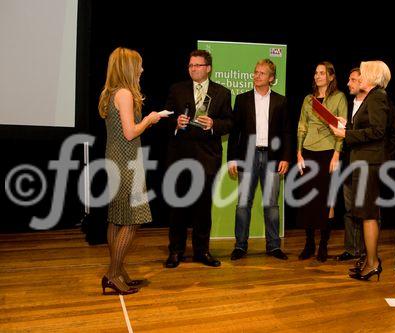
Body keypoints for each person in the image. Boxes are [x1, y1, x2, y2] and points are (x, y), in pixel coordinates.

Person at [98, 47, 162, 295]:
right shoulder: (124, 93)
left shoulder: (110, 92)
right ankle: (113, 273)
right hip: (125, 162)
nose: (142, 69)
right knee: (133, 219)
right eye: (139, 65)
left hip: (115, 159)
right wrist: (149, 119)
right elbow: (129, 132)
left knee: (117, 218)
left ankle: (119, 270)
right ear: (128, 67)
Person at [329, 60, 395, 281]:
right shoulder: (373, 97)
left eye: (363, 73)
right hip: (364, 162)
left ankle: (373, 263)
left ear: (371, 75)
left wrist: (346, 135)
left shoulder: (378, 97)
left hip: (369, 163)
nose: (359, 77)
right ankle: (370, 262)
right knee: (365, 215)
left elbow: (379, 132)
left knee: (368, 216)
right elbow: (371, 130)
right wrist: (348, 126)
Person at [164, 50, 233, 268]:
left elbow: (230, 123)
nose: (193, 68)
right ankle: (176, 251)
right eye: (190, 65)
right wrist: (176, 122)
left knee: (203, 209)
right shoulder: (177, 90)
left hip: (207, 158)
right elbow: (164, 118)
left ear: (208, 68)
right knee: (178, 208)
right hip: (180, 157)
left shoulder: (222, 92)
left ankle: (202, 252)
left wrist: (214, 124)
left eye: (197, 65)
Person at [227, 59, 292, 261]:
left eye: (262, 73)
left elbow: (287, 132)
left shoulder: (281, 101)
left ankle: (273, 246)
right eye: (255, 72)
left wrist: (286, 157)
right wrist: (231, 159)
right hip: (247, 157)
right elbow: (234, 132)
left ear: (271, 78)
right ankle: (240, 246)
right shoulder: (242, 99)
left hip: (272, 157)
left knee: (271, 204)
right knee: (243, 204)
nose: (257, 76)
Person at [296, 61, 348, 262]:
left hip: (328, 153)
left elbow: (341, 129)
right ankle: (309, 244)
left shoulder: (339, 97)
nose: (317, 76)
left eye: (322, 73)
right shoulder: (308, 100)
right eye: (315, 73)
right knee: (308, 199)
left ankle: (324, 244)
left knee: (327, 200)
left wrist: (336, 154)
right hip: (308, 152)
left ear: (331, 76)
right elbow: (302, 125)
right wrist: (299, 152)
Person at [335, 68, 367, 262]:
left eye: (353, 79)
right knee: (350, 209)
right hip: (348, 164)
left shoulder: (373, 104)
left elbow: (380, 134)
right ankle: (352, 248)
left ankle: (367, 251)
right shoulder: (348, 104)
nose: (349, 83)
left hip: (365, 164)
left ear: (364, 82)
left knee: (366, 210)